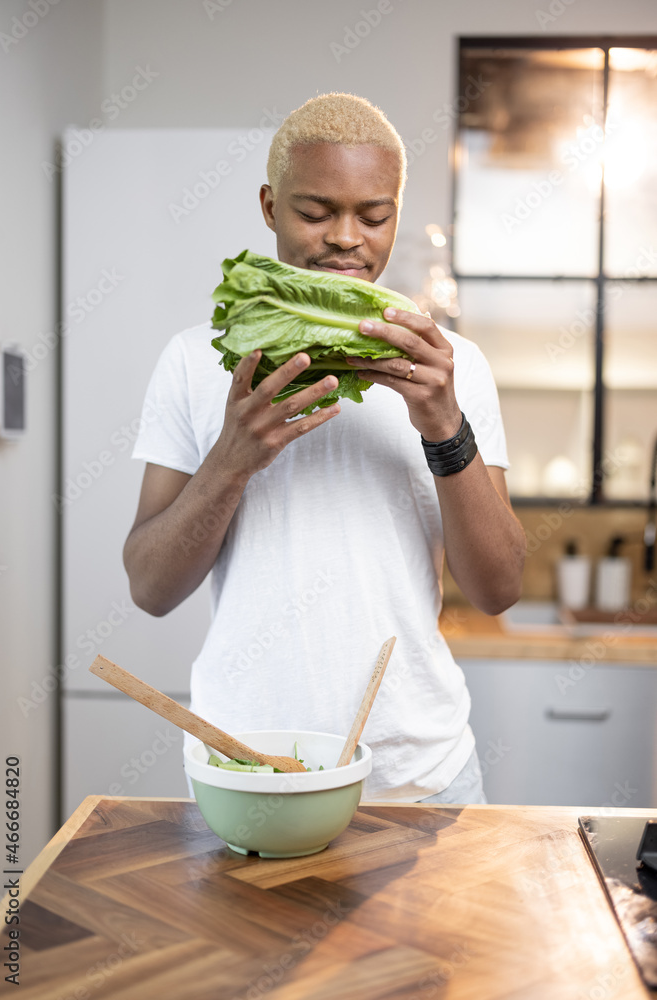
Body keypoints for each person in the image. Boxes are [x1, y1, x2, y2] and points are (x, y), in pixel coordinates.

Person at [124, 93, 525, 803]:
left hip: (419, 776)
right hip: (245, 766)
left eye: (374, 216)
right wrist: (230, 461)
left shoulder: (451, 366)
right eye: (314, 212)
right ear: (268, 206)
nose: (347, 238)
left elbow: (497, 589)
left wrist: (442, 424)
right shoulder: (194, 361)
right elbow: (151, 588)